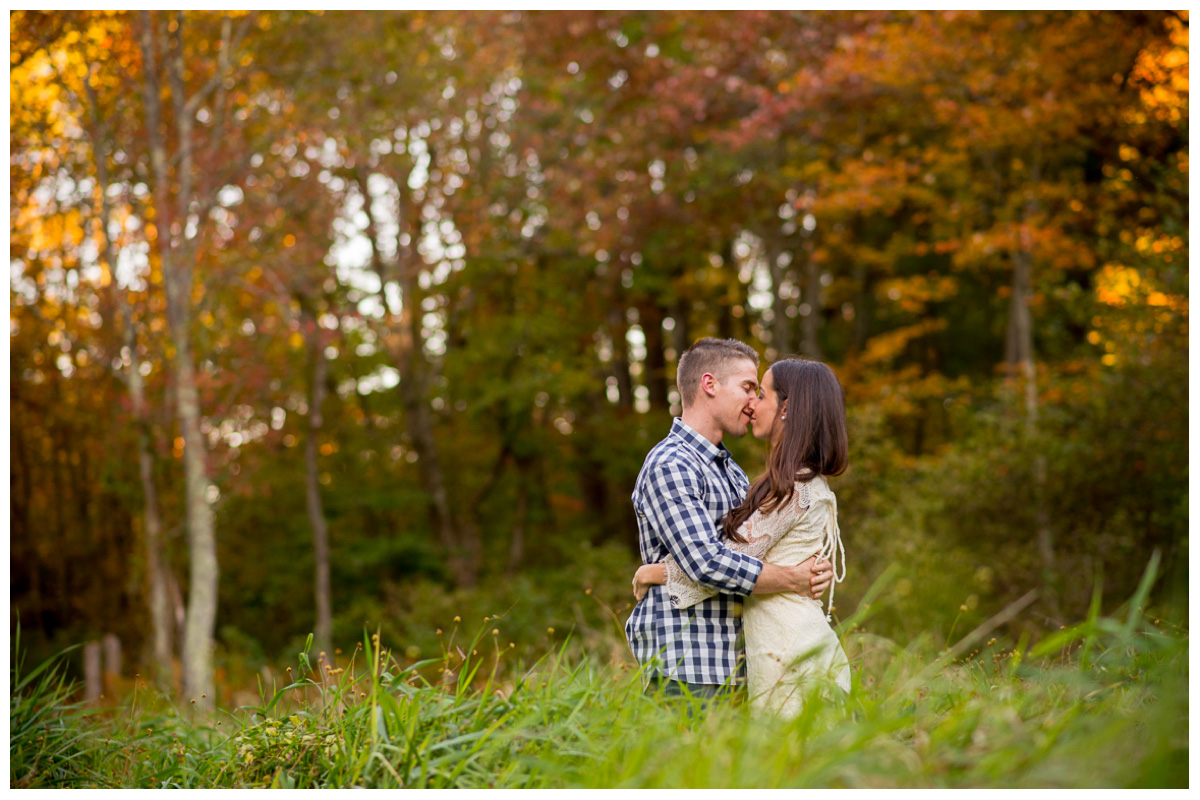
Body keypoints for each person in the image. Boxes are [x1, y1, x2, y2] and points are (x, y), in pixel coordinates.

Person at [633, 357, 851, 717]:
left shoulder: (770, 481)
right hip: (692, 661)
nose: (752, 403)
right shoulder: (674, 463)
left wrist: (656, 573)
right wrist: (792, 576)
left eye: (759, 392)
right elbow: (713, 562)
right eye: (748, 389)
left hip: (769, 653)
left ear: (788, 409)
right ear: (709, 385)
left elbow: (723, 558)